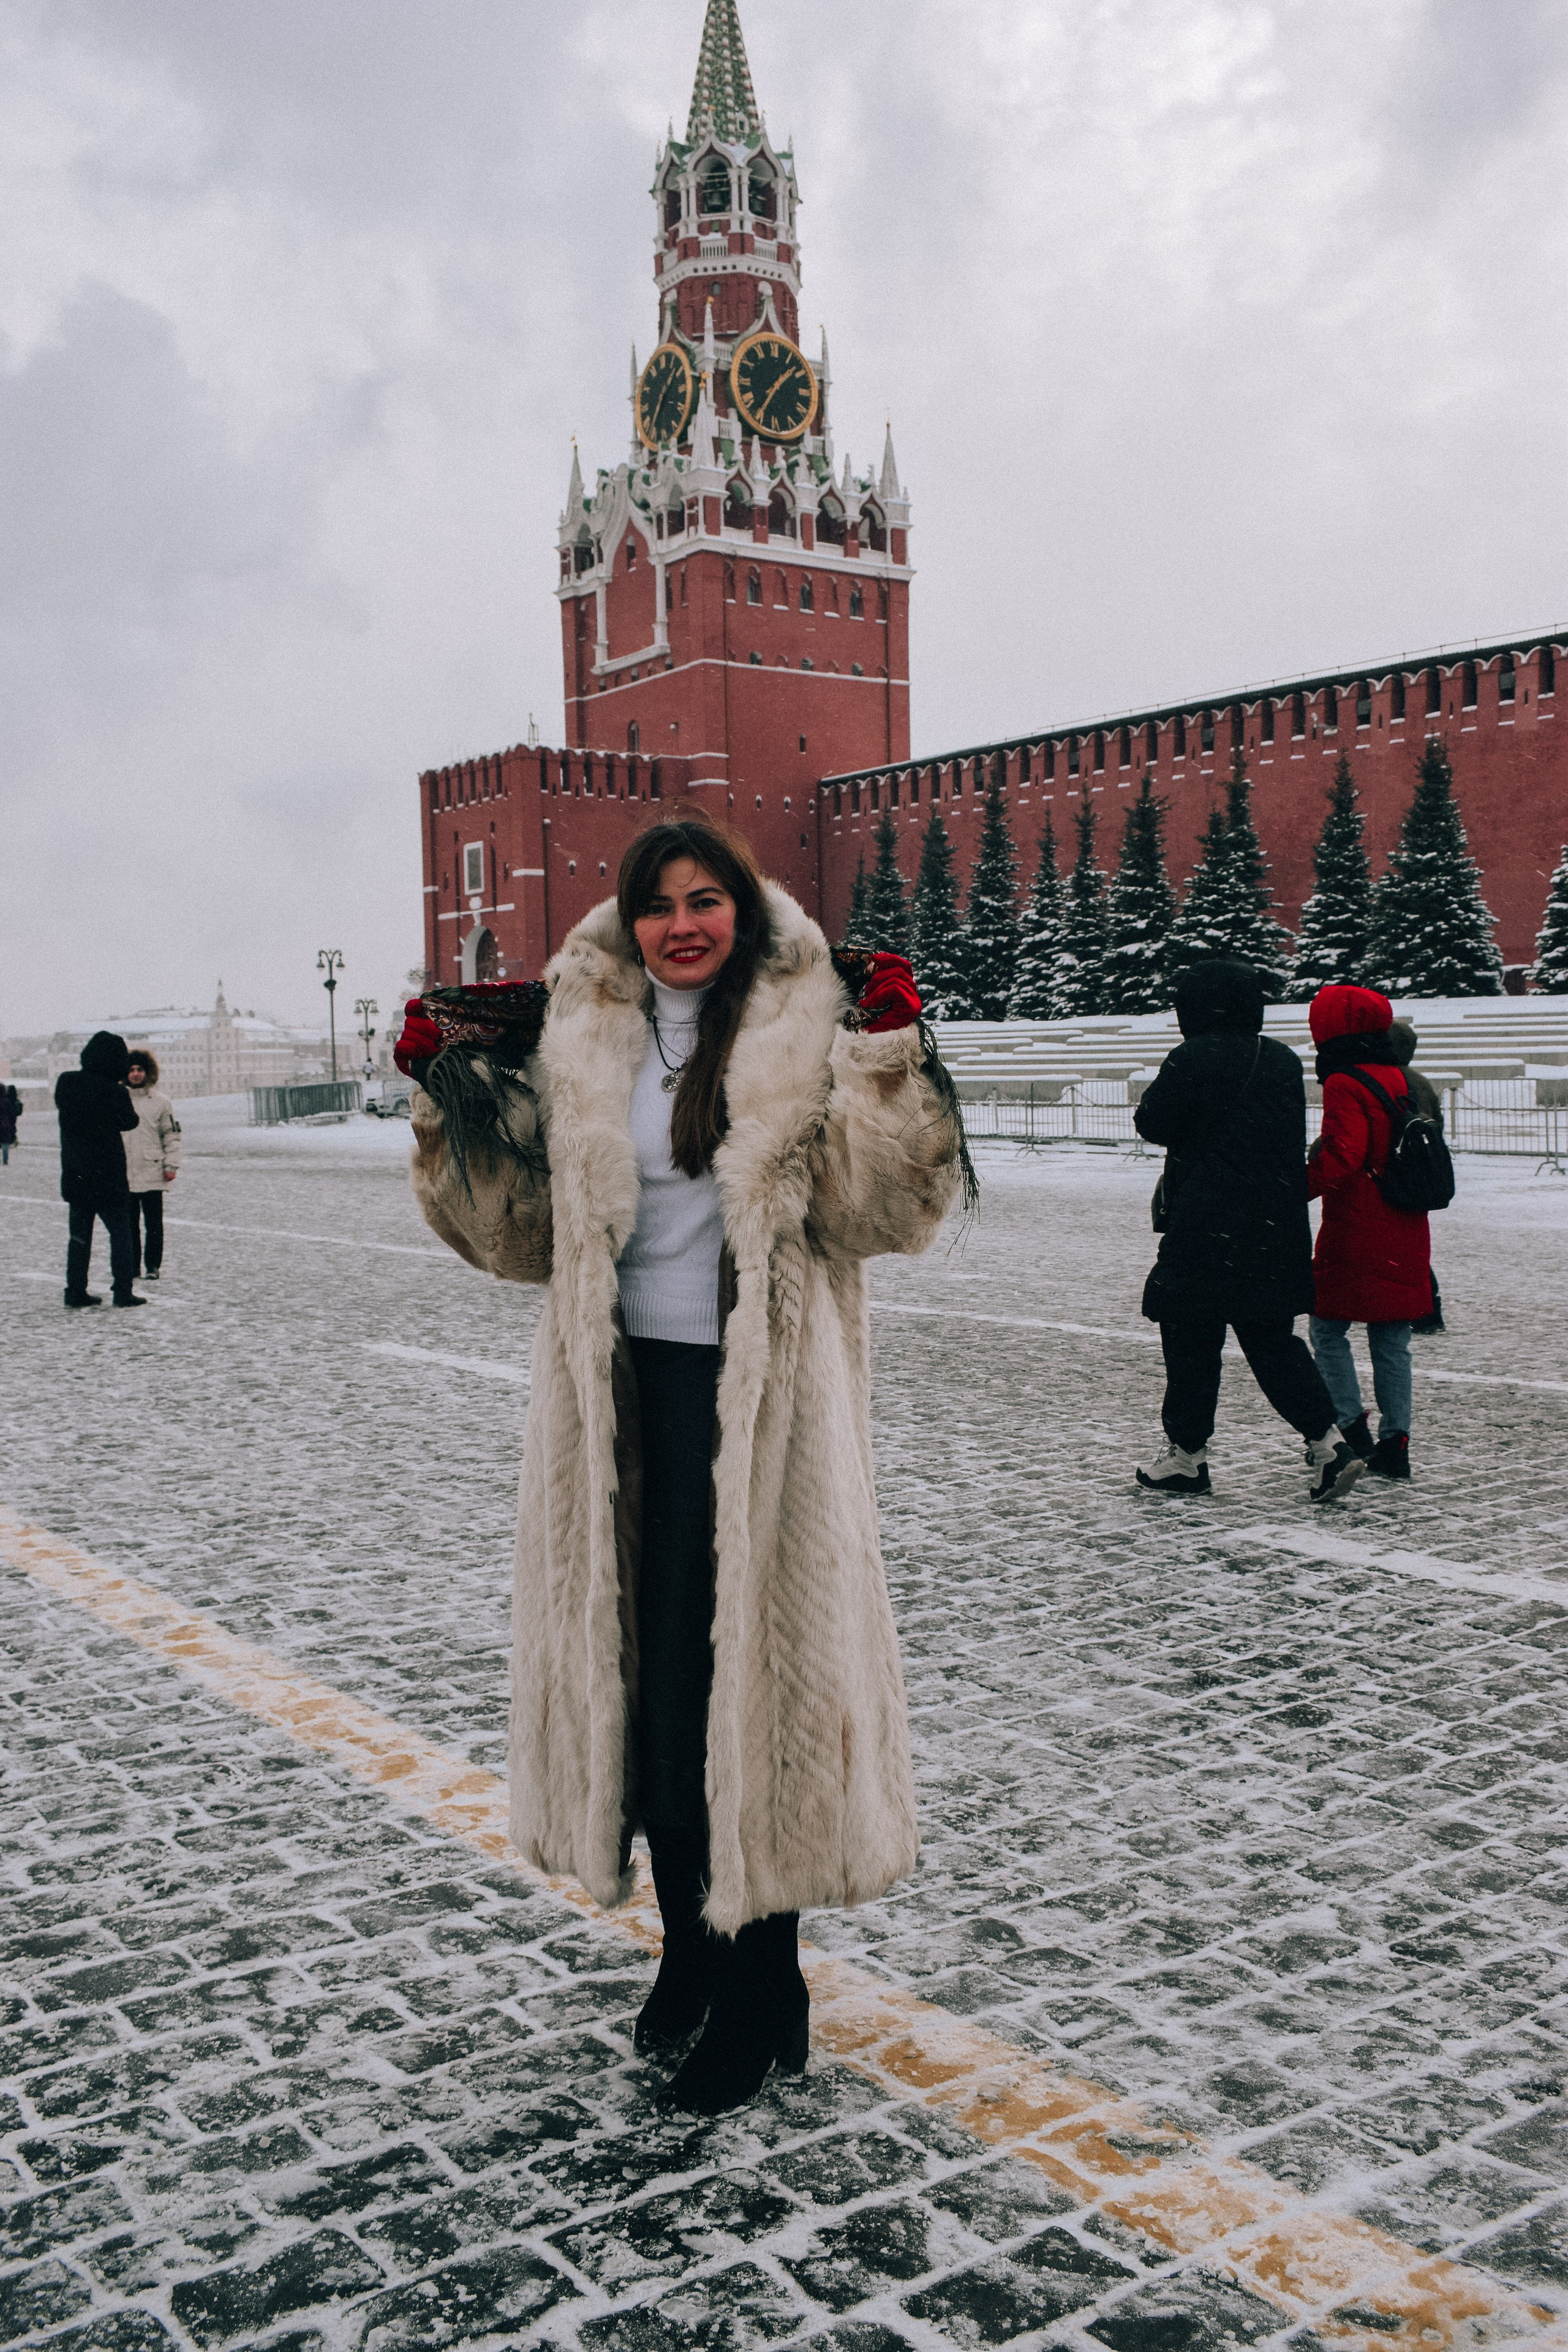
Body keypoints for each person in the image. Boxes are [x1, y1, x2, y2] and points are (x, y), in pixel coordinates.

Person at [401, 817, 965, 2114]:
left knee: (748, 1704)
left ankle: (765, 1982)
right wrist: (460, 1094)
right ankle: (686, 1950)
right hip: (621, 1408)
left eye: (706, 898)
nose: (682, 924)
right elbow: (517, 1240)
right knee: (648, 1703)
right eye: (658, 905)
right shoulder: (583, 1031)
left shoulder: (797, 1023)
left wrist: (884, 1062)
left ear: (743, 910)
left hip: (762, 1409)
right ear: (630, 920)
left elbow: (888, 1214)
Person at [1133, 957, 1363, 1503]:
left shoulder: (1192, 1058)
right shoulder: (1280, 1059)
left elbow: (1152, 1122)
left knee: (1190, 1339)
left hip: (1206, 1224)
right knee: (1272, 1342)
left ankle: (1187, 1457)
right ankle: (1329, 1443)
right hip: (1272, 1224)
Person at [1306, 984, 1432, 1480]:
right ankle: (1395, 1444)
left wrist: (1297, 1186)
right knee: (1392, 1337)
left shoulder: (1344, 1081)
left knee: (1327, 1328)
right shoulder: (1399, 1077)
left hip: (1357, 1224)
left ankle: (1350, 1427)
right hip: (1404, 1220)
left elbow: (1344, 1156)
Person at [55, 1033, 143, 1309]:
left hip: (76, 1173)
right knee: (121, 1235)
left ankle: (75, 1290)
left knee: (79, 1237)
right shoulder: (115, 1091)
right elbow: (129, 1122)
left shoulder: (67, 1084)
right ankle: (123, 1291)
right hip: (108, 1176)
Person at [1389, 1019, 1445, 1335]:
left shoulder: (1389, 1080)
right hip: (1421, 1171)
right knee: (1413, 1246)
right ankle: (1428, 1310)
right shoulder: (1421, 1082)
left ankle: (1424, 1311)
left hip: (1397, 1171)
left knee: (1401, 1248)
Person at [123, 1050, 181, 1281]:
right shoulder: (117, 1098)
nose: (135, 1074)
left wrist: (172, 1165)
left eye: (140, 1069)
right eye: (131, 1070)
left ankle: (153, 1266)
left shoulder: (161, 1102)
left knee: (154, 1224)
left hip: (152, 1169)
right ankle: (132, 1265)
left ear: (148, 1072)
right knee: (129, 1226)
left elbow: (172, 1135)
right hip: (124, 1171)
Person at [0, 1083, 20, 1164]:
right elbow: (11, 1114)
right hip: (5, 1124)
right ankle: (5, 1160)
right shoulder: (7, 1101)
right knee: (5, 1143)